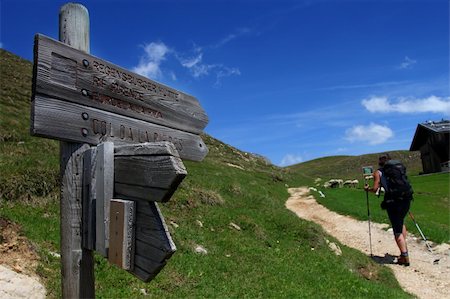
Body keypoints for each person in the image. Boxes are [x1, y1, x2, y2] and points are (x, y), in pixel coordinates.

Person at [364, 153, 413, 266]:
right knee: (401, 221)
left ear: (380, 162)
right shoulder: (397, 169)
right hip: (406, 199)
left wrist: (368, 189)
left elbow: (375, 189)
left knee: (396, 229)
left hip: (392, 202)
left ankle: (404, 256)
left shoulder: (378, 172)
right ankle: (403, 248)